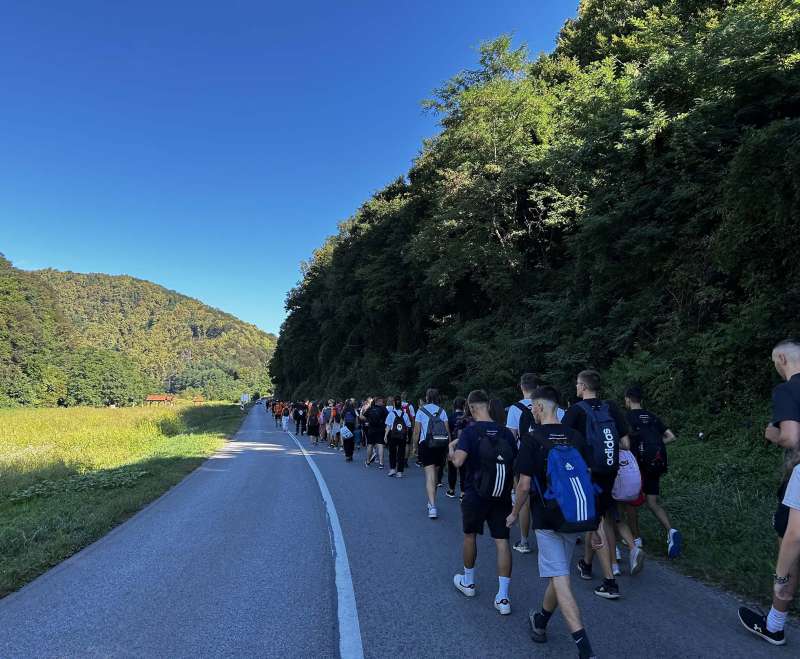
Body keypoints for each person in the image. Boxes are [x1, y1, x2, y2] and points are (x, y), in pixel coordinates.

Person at [507, 386, 598, 659]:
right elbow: (588, 480)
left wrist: (513, 514)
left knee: (560, 578)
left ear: (539, 408)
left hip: (547, 519)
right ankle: (542, 620)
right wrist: (595, 525)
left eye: (533, 407)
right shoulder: (576, 437)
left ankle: (585, 649)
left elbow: (523, 485)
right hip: (577, 516)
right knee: (559, 574)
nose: (532, 411)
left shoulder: (532, 438)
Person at [739, 339, 800, 646]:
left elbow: (790, 437)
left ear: (781, 359)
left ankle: (774, 625)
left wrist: (772, 433)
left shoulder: (788, 390)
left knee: (790, 548)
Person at [562, 369, 637, 599]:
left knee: (597, 523)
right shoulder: (611, 407)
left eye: (577, 383)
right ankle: (586, 564)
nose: (576, 387)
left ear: (583, 387)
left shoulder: (575, 411)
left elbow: (564, 443)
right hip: (610, 470)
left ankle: (610, 582)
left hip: (588, 472)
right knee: (598, 518)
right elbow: (625, 443)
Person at [451, 390, 516, 615]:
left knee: (470, 535)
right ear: (488, 405)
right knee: (502, 542)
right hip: (502, 494)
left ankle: (468, 582)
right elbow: (514, 467)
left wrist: (451, 448)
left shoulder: (470, 432)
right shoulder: (507, 433)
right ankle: (503, 597)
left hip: (475, 493)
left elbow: (458, 461)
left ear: (470, 408)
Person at [623, 385, 682, 558]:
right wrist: (655, 446)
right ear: (641, 400)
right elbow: (671, 436)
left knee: (631, 503)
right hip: (655, 463)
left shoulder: (627, 418)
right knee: (652, 502)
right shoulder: (652, 416)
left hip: (637, 465)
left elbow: (624, 442)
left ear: (627, 399)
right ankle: (671, 531)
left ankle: (636, 539)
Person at [413, 388, 450, 519]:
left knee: (429, 475)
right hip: (440, 445)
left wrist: (414, 446)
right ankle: (431, 502)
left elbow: (417, 431)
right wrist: (448, 448)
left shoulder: (421, 411)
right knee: (435, 474)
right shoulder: (442, 411)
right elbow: (447, 431)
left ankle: (432, 506)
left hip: (426, 444)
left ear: (427, 397)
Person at [446, 396, 467, 499]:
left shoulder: (450, 417)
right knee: (463, 469)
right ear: (464, 406)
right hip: (464, 446)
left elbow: (447, 432)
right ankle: (463, 492)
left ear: (454, 406)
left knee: (451, 468)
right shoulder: (466, 418)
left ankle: (451, 490)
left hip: (452, 445)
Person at [385, 396, 411, 477]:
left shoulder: (391, 414)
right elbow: (408, 426)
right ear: (401, 405)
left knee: (392, 452)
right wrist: (407, 435)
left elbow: (388, 426)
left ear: (394, 404)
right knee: (401, 453)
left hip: (393, 435)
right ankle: (400, 472)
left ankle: (392, 469)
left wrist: (385, 435)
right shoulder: (405, 414)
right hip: (402, 436)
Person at [364, 395, 388, 468]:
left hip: (371, 429)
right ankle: (381, 463)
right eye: (381, 401)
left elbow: (364, 415)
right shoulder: (383, 409)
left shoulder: (370, 408)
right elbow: (388, 417)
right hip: (380, 429)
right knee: (380, 445)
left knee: (370, 445)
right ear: (379, 401)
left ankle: (368, 462)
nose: (382, 402)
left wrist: (368, 421)